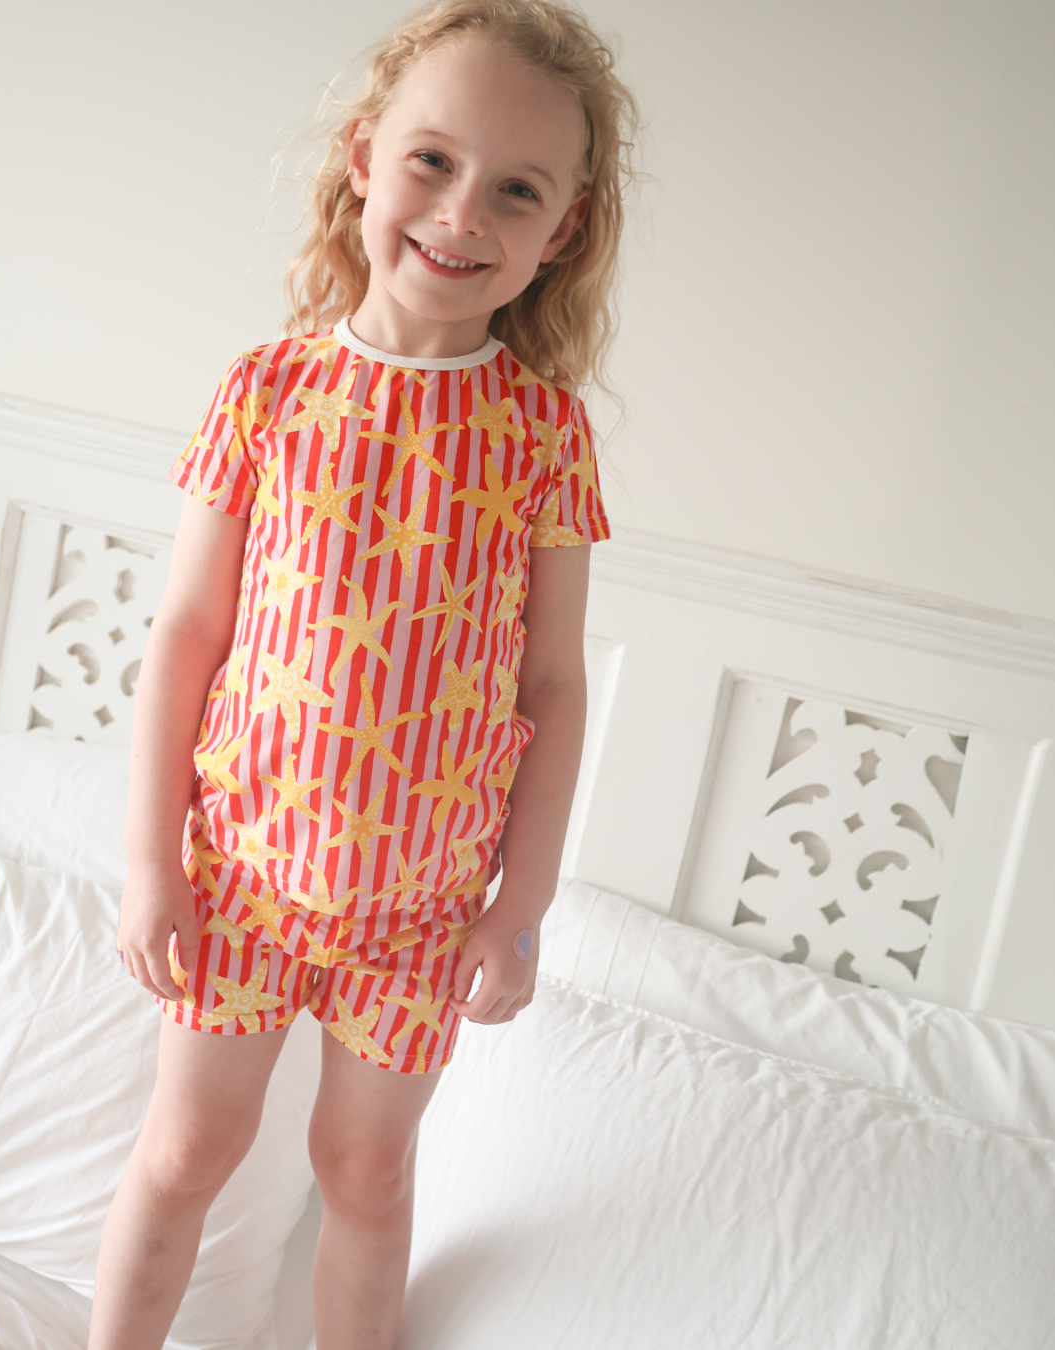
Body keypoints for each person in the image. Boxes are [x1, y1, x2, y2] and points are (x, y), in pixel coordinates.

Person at [89, 2, 637, 1346]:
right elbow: (185, 637)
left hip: (421, 913)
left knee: (368, 1169)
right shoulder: (268, 393)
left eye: (515, 190)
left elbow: (553, 687)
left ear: (562, 228)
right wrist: (154, 863)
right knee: (188, 1148)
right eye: (432, 162)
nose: (462, 213)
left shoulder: (542, 436)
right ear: (362, 158)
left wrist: (519, 908)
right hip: (243, 875)